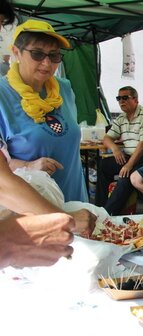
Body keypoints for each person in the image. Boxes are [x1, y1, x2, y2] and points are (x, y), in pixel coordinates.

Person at [0, 19, 87, 202]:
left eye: (54, 56)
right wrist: (28, 166)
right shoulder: (2, 95)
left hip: (74, 198)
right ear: (16, 52)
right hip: (31, 208)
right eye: (37, 54)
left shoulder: (64, 89)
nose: (47, 64)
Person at [96, 86, 143, 215]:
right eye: (119, 98)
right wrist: (115, 149)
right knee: (103, 165)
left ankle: (108, 214)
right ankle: (99, 208)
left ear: (135, 99)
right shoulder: (121, 118)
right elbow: (107, 138)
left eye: (125, 98)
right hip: (129, 156)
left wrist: (128, 165)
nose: (121, 101)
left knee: (125, 176)